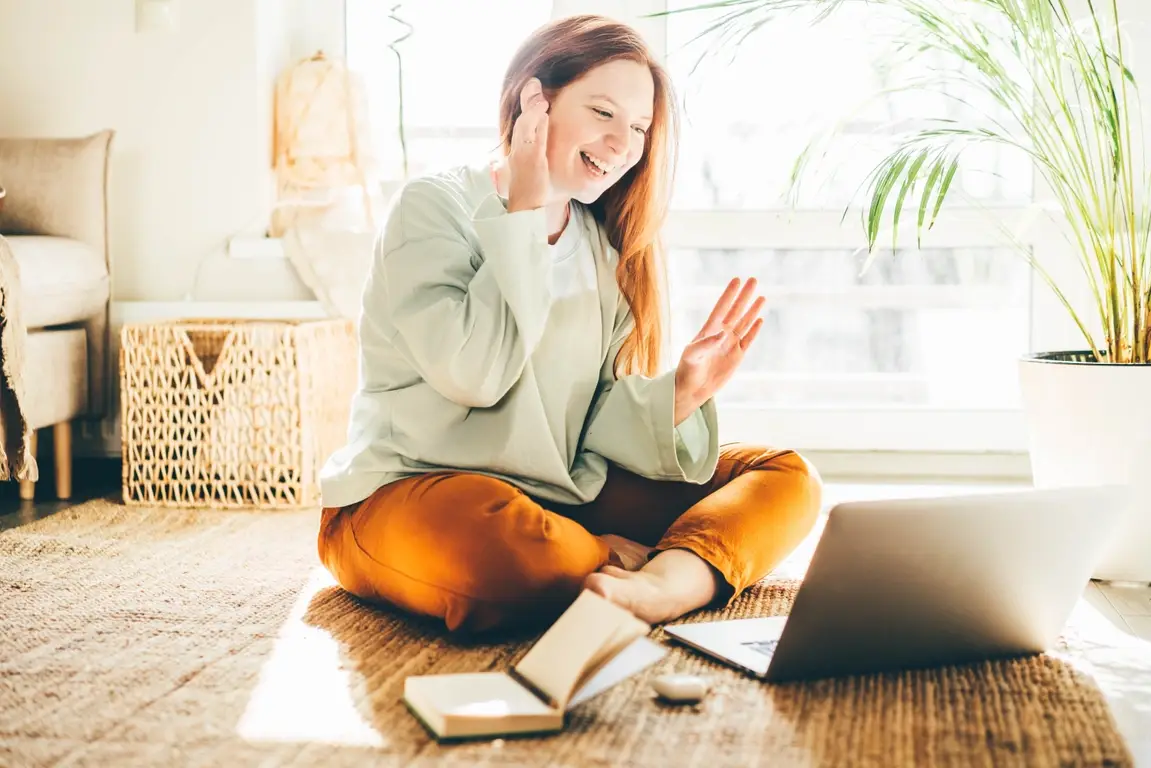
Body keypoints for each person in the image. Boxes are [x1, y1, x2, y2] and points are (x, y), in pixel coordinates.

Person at [317, 14, 822, 634]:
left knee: (783, 477)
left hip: (555, 496)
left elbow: (588, 427)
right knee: (512, 548)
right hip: (413, 491)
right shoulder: (434, 207)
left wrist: (682, 392)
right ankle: (601, 558)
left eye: (639, 127)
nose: (624, 143)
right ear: (535, 101)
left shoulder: (600, 251)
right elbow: (476, 376)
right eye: (604, 113)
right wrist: (524, 210)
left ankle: (665, 586)